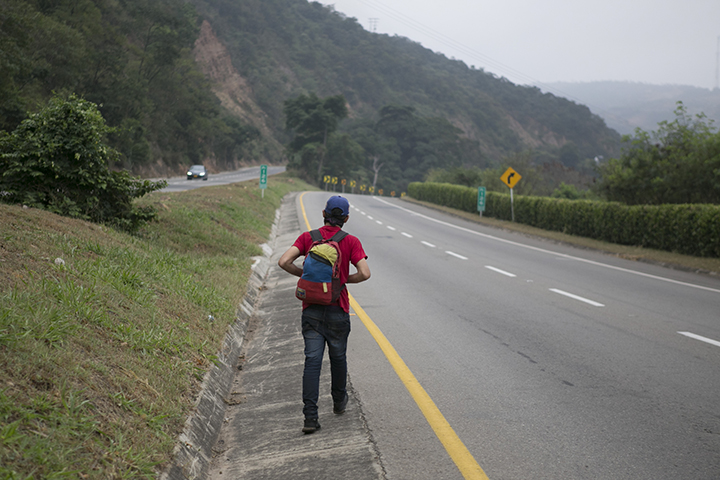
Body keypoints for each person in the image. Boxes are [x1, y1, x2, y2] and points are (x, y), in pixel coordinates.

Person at [278, 195, 371, 434]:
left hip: (311, 310)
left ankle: (310, 417)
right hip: (337, 309)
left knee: (312, 361)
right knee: (338, 358)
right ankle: (339, 402)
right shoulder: (350, 241)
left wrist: (304, 277)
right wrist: (340, 281)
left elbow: (283, 261)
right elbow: (365, 273)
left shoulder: (309, 237)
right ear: (346, 218)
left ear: (323, 214)